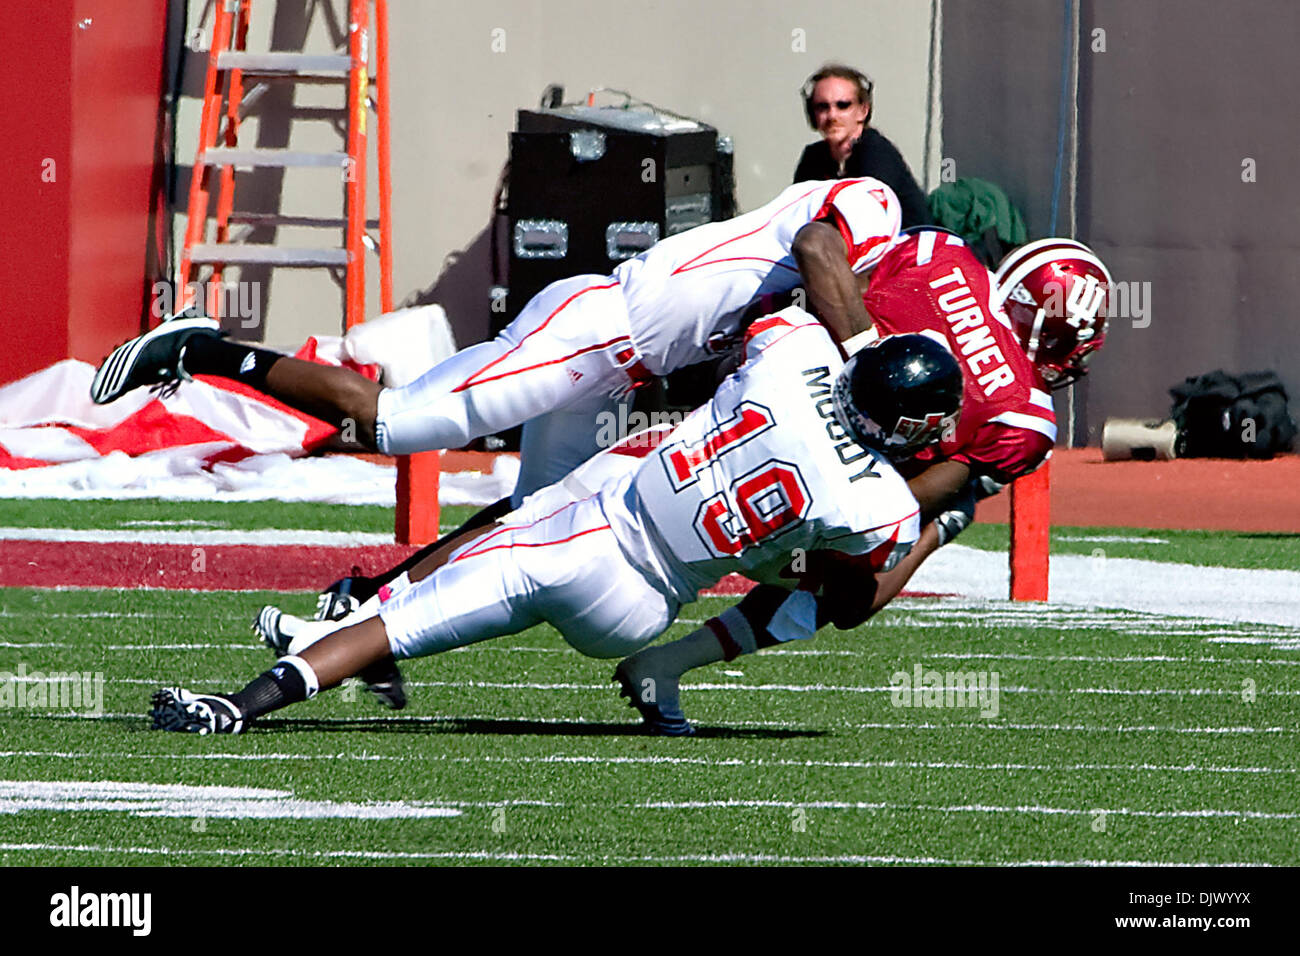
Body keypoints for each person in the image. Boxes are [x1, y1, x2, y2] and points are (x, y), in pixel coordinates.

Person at [147, 314, 965, 734]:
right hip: (645, 606)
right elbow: (853, 596)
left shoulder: (798, 359)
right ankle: (664, 667)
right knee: (789, 574)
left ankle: (240, 705)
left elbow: (754, 330)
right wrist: (930, 525)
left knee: (409, 624)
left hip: (601, 528)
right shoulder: (882, 507)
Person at [91, 178, 903, 508]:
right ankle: (201, 348)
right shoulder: (877, 213)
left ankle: (371, 608)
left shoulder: (828, 294)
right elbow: (821, 252)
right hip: (596, 330)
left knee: (539, 517)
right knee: (398, 423)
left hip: (615, 370)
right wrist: (866, 349)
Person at [616, 231, 1114, 734]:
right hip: (820, 488)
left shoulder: (941, 253)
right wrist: (942, 521)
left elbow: (825, 262)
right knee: (870, 575)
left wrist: (860, 353)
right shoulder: (1025, 417)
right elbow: (913, 502)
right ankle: (669, 662)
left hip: (765, 405)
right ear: (1054, 334)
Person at [793, 64, 933, 230]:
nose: (832, 116)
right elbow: (794, 215)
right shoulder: (813, 157)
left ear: (863, 111)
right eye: (822, 107)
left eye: (843, 105)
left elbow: (867, 221)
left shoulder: (876, 152)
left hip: (907, 248)